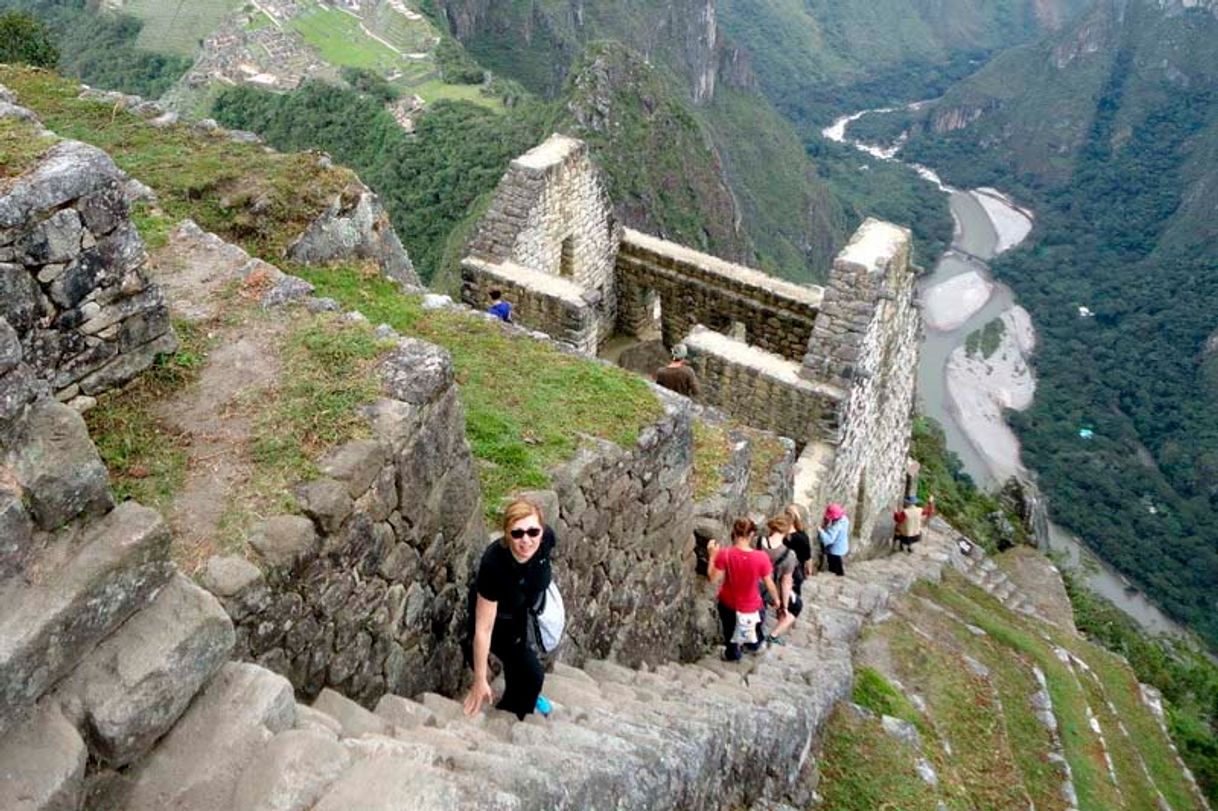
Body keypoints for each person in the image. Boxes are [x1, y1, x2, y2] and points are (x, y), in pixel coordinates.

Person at [463, 499, 555, 720]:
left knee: (527, 678)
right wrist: (480, 679)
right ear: (506, 534)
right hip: (498, 617)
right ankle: (504, 721)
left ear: (542, 531)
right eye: (517, 533)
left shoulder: (546, 541)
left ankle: (515, 710)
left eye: (533, 531)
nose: (526, 540)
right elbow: (483, 629)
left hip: (525, 612)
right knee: (532, 673)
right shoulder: (494, 565)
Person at [707, 517, 783, 660]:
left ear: (734, 533)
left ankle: (733, 654)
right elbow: (769, 584)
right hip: (753, 605)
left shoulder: (725, 554)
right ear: (752, 535)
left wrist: (712, 556)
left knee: (730, 632)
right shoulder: (761, 557)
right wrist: (777, 600)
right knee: (755, 628)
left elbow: (712, 578)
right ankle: (754, 646)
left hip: (729, 604)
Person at [760, 515, 801, 645]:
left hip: (752, 583)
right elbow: (786, 582)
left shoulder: (757, 541)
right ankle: (774, 635)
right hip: (769, 590)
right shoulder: (789, 555)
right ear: (787, 531)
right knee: (797, 605)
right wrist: (784, 605)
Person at [782, 504, 815, 588]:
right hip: (795, 570)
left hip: (780, 569)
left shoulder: (779, 534)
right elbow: (807, 557)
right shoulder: (802, 537)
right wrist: (809, 571)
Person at [818, 503, 850, 577]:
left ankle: (837, 575)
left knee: (834, 565)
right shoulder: (845, 519)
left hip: (835, 550)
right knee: (838, 563)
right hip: (842, 546)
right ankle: (839, 574)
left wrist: (821, 531)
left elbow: (829, 540)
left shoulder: (836, 527)